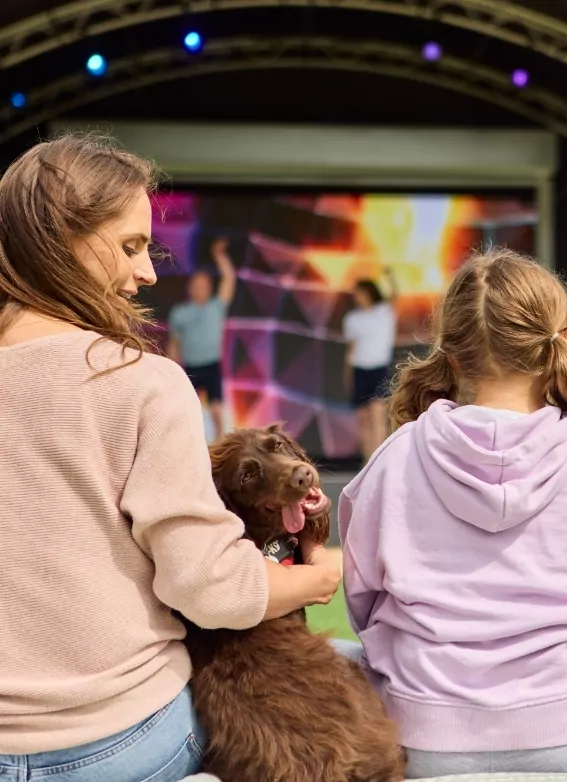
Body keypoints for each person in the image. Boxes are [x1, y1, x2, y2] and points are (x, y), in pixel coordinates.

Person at [0, 134, 342, 781]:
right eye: (130, 246)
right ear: (58, 241)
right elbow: (209, 590)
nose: (149, 273)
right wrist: (314, 580)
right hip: (118, 745)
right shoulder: (141, 381)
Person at [338, 248, 567, 778]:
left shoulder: (392, 460)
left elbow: (362, 604)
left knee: (341, 655)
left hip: (418, 742)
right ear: (565, 341)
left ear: (451, 355)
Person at [167, 238, 236, 440]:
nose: (199, 288)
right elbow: (174, 343)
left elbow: (229, 279)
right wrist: (174, 370)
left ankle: (222, 447)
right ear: (191, 287)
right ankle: (191, 446)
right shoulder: (180, 313)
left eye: (204, 284)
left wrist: (219, 256)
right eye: (196, 284)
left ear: (209, 288)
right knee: (190, 411)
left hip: (212, 366)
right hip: (191, 367)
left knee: (216, 410)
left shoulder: (216, 307)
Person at [342, 269, 397, 462]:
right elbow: (351, 349)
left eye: (358, 291)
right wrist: (348, 373)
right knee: (363, 418)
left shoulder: (385, 312)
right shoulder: (352, 319)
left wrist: (390, 276)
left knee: (378, 414)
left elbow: (394, 294)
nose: (355, 296)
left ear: (368, 292)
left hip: (378, 368)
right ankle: (367, 461)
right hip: (359, 369)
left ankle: (380, 459)